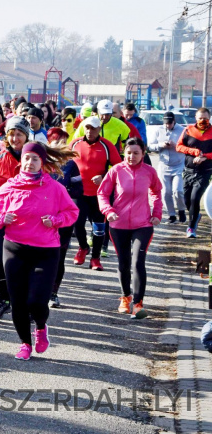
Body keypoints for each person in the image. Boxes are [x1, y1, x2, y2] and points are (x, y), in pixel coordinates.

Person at [0, 142, 79, 360]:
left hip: (45, 250)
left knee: (36, 301)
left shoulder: (55, 188)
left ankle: (41, 327)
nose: (30, 162)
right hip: (14, 248)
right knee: (17, 301)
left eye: (35, 159)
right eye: (27, 158)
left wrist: (55, 220)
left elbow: (72, 212)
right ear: (21, 161)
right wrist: (1, 218)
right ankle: (25, 343)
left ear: (42, 163)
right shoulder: (9, 187)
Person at [98, 137, 162, 320]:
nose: (132, 156)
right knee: (123, 263)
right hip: (118, 224)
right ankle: (125, 297)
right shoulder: (116, 171)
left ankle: (138, 303)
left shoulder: (149, 172)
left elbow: (156, 192)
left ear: (143, 154)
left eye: (136, 153)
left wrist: (156, 213)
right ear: (123, 153)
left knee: (138, 262)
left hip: (143, 224)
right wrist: (108, 211)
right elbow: (102, 193)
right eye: (128, 153)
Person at [0, 116, 31, 319]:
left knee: (27, 263)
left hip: (30, 222)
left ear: (26, 136)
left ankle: (26, 304)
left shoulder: (35, 157)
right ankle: (4, 300)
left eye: (19, 134)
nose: (15, 138)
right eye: (12, 134)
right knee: (4, 264)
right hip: (4, 221)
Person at [69, 116, 122, 270]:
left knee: (99, 228)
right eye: (87, 128)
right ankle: (83, 247)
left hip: (100, 194)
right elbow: (65, 164)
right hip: (79, 192)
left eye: (93, 128)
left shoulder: (107, 146)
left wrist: (104, 177)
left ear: (99, 129)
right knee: (77, 224)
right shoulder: (75, 143)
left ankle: (95, 258)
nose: (89, 131)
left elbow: (119, 168)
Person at [46, 128, 82, 308]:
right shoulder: (40, 163)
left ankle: (53, 293)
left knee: (59, 257)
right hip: (42, 218)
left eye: (62, 142)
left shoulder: (71, 164)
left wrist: (64, 195)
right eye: (55, 143)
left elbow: (78, 191)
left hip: (63, 220)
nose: (59, 146)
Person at [176, 107, 212, 238]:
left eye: (205, 118)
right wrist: (194, 151)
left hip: (205, 172)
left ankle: (191, 228)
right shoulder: (188, 130)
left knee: (194, 198)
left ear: (209, 118)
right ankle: (196, 215)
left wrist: (205, 157)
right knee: (186, 199)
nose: (203, 120)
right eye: (200, 118)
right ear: (196, 118)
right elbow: (179, 146)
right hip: (188, 171)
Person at [148, 111, 187, 224]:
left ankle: (181, 210)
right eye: (166, 123)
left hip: (178, 164)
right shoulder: (158, 130)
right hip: (164, 165)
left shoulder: (182, 130)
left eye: (170, 123)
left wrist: (176, 146)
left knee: (177, 190)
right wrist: (161, 145)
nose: (168, 125)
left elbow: (188, 146)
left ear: (174, 121)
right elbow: (150, 145)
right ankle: (171, 214)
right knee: (166, 192)